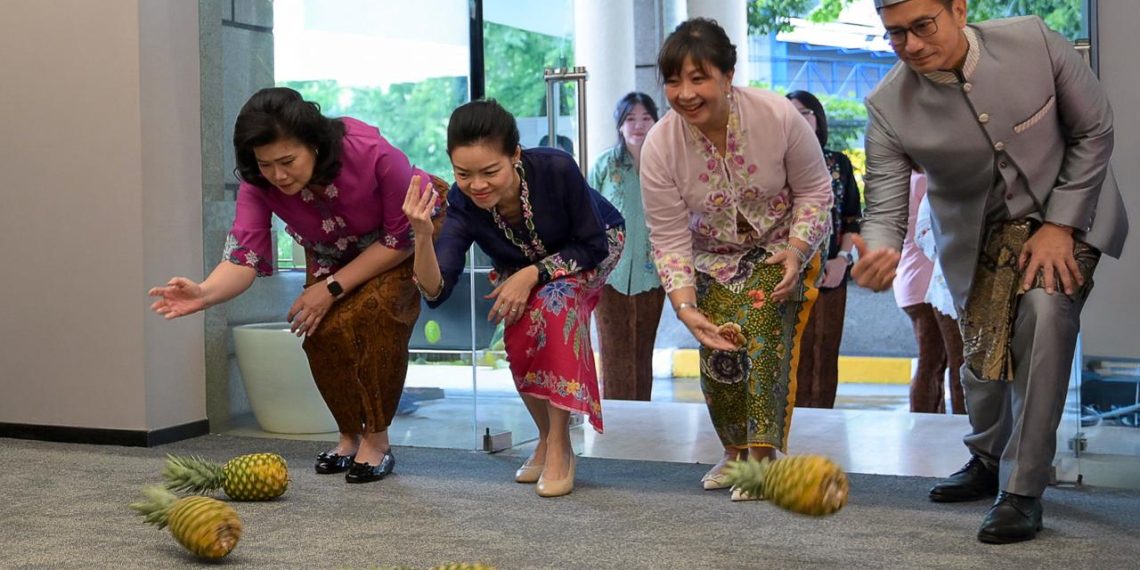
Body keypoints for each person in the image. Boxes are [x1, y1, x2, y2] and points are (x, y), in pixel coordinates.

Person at [855, 0, 1128, 543]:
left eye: (921, 26)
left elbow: (1094, 129)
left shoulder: (1034, 41)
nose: (909, 45)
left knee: (1044, 316)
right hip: (975, 240)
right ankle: (985, 458)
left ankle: (1023, 489)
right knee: (983, 356)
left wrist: (1060, 226)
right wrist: (879, 249)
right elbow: (884, 206)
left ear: (958, 9)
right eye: (894, 35)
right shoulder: (888, 104)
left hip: (1067, 216)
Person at [148, 87, 442, 484]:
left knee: (375, 319)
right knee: (319, 331)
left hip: (406, 232)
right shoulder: (259, 183)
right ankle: (348, 437)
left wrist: (330, 288)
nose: (278, 175)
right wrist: (203, 293)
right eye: (266, 164)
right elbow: (243, 257)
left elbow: (398, 240)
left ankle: (377, 441)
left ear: (315, 145)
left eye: (287, 161)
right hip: (332, 247)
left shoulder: (370, 151)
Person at [640, 18, 834, 500]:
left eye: (698, 77)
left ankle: (763, 460)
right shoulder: (660, 146)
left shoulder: (777, 117)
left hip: (782, 244)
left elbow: (815, 191)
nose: (685, 93)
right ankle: (734, 452)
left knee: (762, 324)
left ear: (728, 76)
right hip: (710, 259)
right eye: (673, 80)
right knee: (719, 345)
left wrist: (796, 251)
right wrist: (686, 308)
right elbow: (667, 238)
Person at [402, 99, 625, 498]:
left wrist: (533, 273)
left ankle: (560, 446)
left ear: (515, 155)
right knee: (517, 323)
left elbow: (592, 243)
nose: (477, 185)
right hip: (520, 264)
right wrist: (421, 234)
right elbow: (436, 290)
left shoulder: (556, 168)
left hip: (593, 244)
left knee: (554, 304)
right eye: (463, 174)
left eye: (490, 171)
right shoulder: (460, 203)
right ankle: (544, 437)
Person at [785, 90, 863, 409]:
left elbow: (852, 219)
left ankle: (823, 420)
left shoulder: (839, 163)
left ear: (818, 118)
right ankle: (792, 423)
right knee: (792, 351)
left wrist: (842, 260)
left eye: (805, 113)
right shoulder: (774, 165)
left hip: (831, 271)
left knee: (825, 349)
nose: (799, 120)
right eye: (791, 114)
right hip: (787, 275)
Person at [590, 92, 666, 401]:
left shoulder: (665, 165)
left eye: (645, 118)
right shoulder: (606, 164)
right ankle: (615, 419)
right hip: (609, 275)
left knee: (643, 349)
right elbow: (585, 213)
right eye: (630, 119)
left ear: (656, 121)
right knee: (613, 350)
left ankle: (642, 417)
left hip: (654, 273)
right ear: (620, 125)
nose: (638, 125)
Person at [893, 172, 965, 414]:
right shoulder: (922, 181)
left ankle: (933, 421)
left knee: (936, 361)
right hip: (927, 281)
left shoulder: (903, 179)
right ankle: (931, 421)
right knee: (938, 361)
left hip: (912, 278)